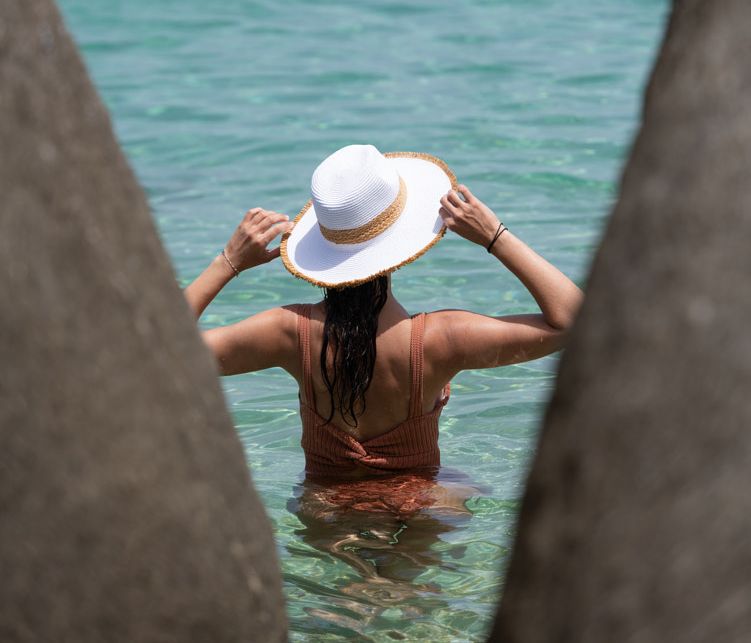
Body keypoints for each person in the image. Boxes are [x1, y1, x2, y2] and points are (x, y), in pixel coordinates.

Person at [185, 143, 584, 479]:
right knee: (463, 488)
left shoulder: (289, 334)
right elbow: (572, 321)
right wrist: (495, 237)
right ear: (397, 249)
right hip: (417, 509)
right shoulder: (440, 340)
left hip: (325, 515)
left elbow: (161, 352)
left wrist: (228, 262)